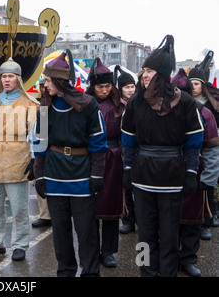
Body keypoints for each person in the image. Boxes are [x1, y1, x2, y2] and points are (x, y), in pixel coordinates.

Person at [121, 35, 204, 277]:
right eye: (144, 70)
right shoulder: (136, 103)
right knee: (144, 234)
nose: (144, 75)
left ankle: (167, 273)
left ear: (162, 74)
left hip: (172, 177)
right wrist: (127, 169)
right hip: (143, 176)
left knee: (169, 233)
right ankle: (146, 271)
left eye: (150, 71)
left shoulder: (186, 103)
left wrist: (190, 172)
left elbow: (193, 142)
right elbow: (128, 140)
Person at [32, 51, 107, 277]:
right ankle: (65, 270)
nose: (45, 85)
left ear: (59, 81)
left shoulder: (88, 105)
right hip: (54, 174)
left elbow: (98, 141)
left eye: (47, 80)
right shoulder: (45, 108)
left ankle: (91, 272)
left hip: (81, 174)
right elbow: (40, 143)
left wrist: (97, 174)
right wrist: (39, 174)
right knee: (60, 230)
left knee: (86, 230)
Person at [0, 57, 39, 262]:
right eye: (4, 76)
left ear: (18, 79)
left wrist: (35, 158)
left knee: (19, 208)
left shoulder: (29, 103)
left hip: (17, 157)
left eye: (11, 76)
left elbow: (38, 134)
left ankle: (20, 244)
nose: (7, 80)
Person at [172, 68, 219, 277]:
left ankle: (189, 258)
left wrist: (208, 178)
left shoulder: (204, 113)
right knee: (167, 220)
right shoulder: (160, 110)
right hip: (166, 171)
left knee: (192, 220)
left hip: (195, 171)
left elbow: (211, 148)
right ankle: (169, 259)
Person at [86, 58, 126, 268]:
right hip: (89, 157)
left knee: (111, 204)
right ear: (93, 86)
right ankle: (91, 251)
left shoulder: (120, 106)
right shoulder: (83, 103)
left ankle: (108, 250)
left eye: (107, 86)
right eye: (100, 86)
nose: (104, 90)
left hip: (113, 157)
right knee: (89, 207)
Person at [188, 61, 219, 240]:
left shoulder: (211, 105)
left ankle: (207, 220)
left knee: (207, 185)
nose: (193, 87)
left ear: (203, 84)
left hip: (209, 148)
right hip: (191, 151)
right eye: (191, 83)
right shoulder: (184, 102)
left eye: (197, 83)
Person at [114, 66, 138, 235]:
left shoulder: (140, 103)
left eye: (132, 86)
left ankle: (142, 221)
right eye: (126, 87)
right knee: (125, 187)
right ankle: (128, 220)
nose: (130, 90)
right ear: (120, 89)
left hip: (138, 151)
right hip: (121, 151)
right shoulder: (116, 107)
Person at [30, 77, 51, 228]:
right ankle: (45, 215)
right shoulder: (37, 106)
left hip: (52, 151)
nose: (44, 89)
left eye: (46, 86)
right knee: (40, 182)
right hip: (38, 150)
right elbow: (34, 133)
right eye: (42, 86)